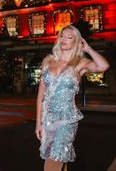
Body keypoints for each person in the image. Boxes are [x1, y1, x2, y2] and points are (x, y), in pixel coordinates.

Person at [35, 25, 110, 171]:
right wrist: (38, 123)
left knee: (55, 158)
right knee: (57, 158)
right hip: (48, 119)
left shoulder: (80, 63)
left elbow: (103, 66)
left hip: (66, 120)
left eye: (70, 37)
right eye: (62, 36)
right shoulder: (48, 62)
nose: (64, 39)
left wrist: (88, 49)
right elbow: (40, 96)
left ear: (76, 42)